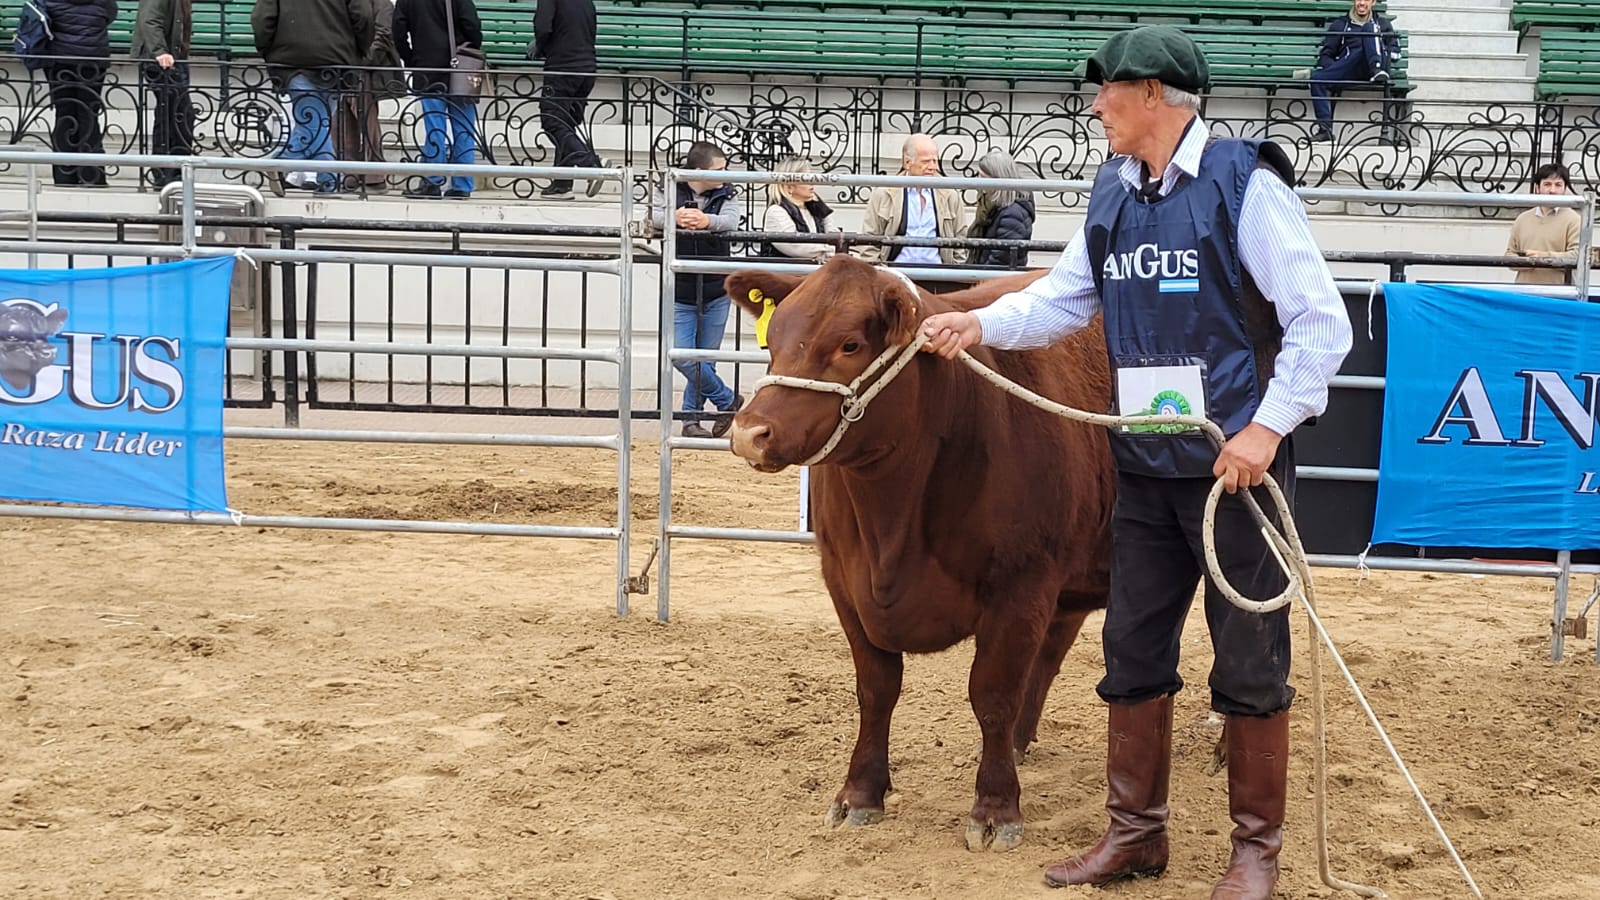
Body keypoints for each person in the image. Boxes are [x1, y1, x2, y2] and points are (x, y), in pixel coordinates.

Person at [920, 26, 1352, 900]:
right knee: (1132, 650)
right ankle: (1137, 837)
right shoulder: (1114, 192)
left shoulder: (1246, 186)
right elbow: (1064, 299)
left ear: (1155, 94)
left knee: (1249, 660)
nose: (1095, 106)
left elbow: (1320, 324)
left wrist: (1265, 429)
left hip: (1238, 473)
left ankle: (1254, 853)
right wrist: (979, 325)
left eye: (1107, 90)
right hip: (1147, 469)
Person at [650, 141, 743, 439]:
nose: (726, 174)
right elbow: (653, 217)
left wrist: (706, 221)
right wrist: (674, 218)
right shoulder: (668, 185)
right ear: (699, 171)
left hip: (717, 286)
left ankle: (691, 419)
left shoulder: (728, 191)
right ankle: (728, 401)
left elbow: (731, 220)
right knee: (681, 356)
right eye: (720, 169)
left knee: (705, 358)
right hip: (680, 287)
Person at [252, 0, 374, 195]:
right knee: (318, 125)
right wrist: (358, 50)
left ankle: (285, 165)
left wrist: (269, 50)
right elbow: (364, 16)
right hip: (337, 61)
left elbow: (262, 19)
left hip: (293, 60)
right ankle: (326, 179)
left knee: (315, 124)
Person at [393, 0, 482, 199]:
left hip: (427, 70)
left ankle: (432, 181)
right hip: (460, 69)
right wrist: (469, 49)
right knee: (464, 129)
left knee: (435, 129)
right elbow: (472, 25)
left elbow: (398, 33)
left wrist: (411, 59)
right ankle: (462, 185)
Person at [856, 133, 966, 273]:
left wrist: (953, 273)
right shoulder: (884, 193)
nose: (933, 167)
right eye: (926, 162)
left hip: (938, 275)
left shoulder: (950, 194)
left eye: (935, 161)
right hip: (895, 275)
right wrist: (879, 275)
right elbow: (869, 240)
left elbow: (960, 239)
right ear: (907, 163)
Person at [530, 0, 606, 200]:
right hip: (587, 68)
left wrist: (539, 45)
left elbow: (543, 26)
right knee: (565, 125)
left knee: (552, 122)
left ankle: (591, 165)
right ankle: (562, 184)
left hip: (563, 67)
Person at [43, 0, 118, 187]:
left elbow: (44, 17)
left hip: (60, 59)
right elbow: (110, 16)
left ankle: (64, 176)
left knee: (64, 116)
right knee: (89, 116)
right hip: (92, 59)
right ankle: (92, 176)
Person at [334, 0, 404, 193]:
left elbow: (384, 35)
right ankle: (350, 173)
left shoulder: (382, 4)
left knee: (367, 121)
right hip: (345, 67)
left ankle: (375, 174)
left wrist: (362, 61)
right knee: (342, 122)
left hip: (366, 71)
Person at [1308, 0, 1402, 143]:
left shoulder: (1382, 24)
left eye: (1366, 0)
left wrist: (1382, 53)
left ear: (1373, 2)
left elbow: (1395, 53)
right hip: (1350, 66)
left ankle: (1375, 67)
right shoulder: (1341, 24)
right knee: (1316, 79)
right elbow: (1325, 56)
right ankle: (1325, 130)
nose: (1362, 3)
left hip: (1377, 71)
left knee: (1369, 29)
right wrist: (1337, 68)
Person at [133, 0, 197, 190]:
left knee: (173, 114)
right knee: (178, 113)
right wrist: (159, 51)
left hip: (172, 59)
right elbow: (149, 20)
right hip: (163, 61)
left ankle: (171, 172)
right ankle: (168, 173)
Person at [1506, 163, 1582, 286]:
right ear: (1537, 187)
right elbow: (1509, 255)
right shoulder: (1522, 219)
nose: (1552, 190)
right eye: (1547, 184)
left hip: (1560, 295)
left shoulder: (1574, 220)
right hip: (1524, 293)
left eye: (1558, 185)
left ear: (1565, 188)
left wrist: (1541, 257)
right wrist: (1527, 261)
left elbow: (1577, 257)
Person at [965, 149, 1035, 268]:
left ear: (998, 178)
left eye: (983, 176)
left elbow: (1001, 259)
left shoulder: (1013, 213)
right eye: (978, 175)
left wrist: (978, 277)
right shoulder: (991, 203)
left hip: (996, 281)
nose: (978, 180)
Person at [761, 157, 839, 263]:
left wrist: (820, 206)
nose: (812, 182)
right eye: (806, 178)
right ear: (789, 187)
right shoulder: (776, 212)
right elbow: (796, 247)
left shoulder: (814, 207)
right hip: (787, 275)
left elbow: (833, 234)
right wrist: (827, 250)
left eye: (811, 177)